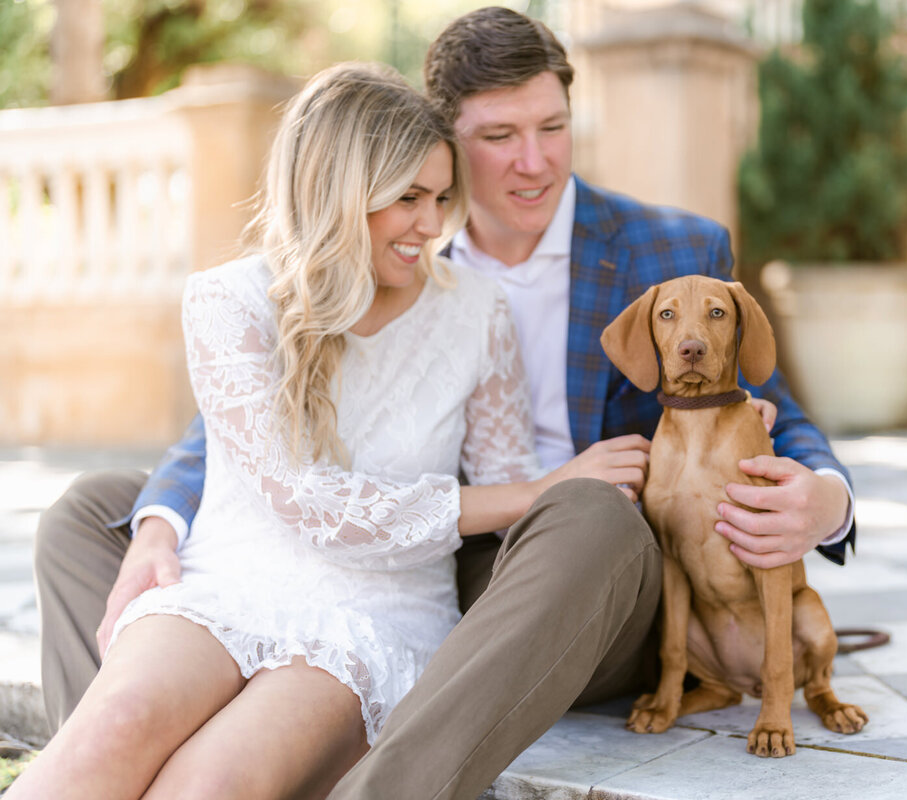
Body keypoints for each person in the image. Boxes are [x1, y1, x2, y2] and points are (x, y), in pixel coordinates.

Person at [32, 8, 857, 800]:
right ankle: (140, 753)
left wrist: (825, 500)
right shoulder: (389, 252)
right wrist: (158, 522)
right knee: (92, 509)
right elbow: (238, 429)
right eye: (499, 138)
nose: (533, 161)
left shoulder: (671, 250)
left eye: (553, 127)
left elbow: (773, 406)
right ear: (447, 141)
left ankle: (381, 778)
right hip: (441, 543)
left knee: (586, 510)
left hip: (580, 570)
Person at [12, 61, 646, 800]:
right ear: (338, 191)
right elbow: (304, 499)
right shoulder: (228, 302)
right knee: (114, 724)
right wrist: (542, 489)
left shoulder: (478, 310)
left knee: (211, 783)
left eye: (442, 198)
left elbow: (506, 485)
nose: (431, 226)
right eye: (407, 198)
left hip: (373, 618)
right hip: (224, 587)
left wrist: (564, 497)